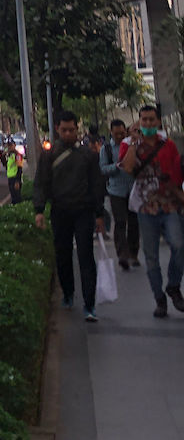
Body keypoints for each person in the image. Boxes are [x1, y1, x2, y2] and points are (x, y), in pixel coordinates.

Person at [33, 110, 106, 322]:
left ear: (77, 128)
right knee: (62, 255)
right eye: (64, 130)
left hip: (84, 211)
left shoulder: (88, 156)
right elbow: (41, 184)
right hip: (60, 211)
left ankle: (89, 304)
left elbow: (96, 186)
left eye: (71, 130)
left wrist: (99, 215)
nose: (67, 134)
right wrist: (39, 211)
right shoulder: (49, 156)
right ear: (57, 129)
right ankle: (67, 293)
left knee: (86, 257)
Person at [119, 106, 184, 318]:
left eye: (151, 120)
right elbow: (128, 169)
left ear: (158, 122)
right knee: (151, 257)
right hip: (146, 209)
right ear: (138, 122)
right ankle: (159, 299)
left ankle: (173, 285)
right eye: (143, 120)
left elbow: (176, 175)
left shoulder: (168, 145)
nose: (147, 124)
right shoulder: (131, 147)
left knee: (179, 245)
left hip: (169, 205)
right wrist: (133, 143)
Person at [100, 119, 138, 270]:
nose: (119, 136)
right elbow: (103, 169)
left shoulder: (132, 145)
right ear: (111, 133)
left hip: (134, 189)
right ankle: (122, 254)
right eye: (116, 134)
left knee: (134, 223)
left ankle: (134, 253)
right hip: (116, 191)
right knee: (120, 222)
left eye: (122, 133)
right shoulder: (107, 149)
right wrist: (116, 167)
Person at [5, 138, 24, 204]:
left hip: (15, 178)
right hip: (10, 178)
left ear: (14, 145)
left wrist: (17, 181)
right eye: (8, 146)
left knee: (17, 198)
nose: (9, 147)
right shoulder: (9, 155)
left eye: (10, 145)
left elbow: (19, 168)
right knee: (13, 197)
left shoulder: (17, 155)